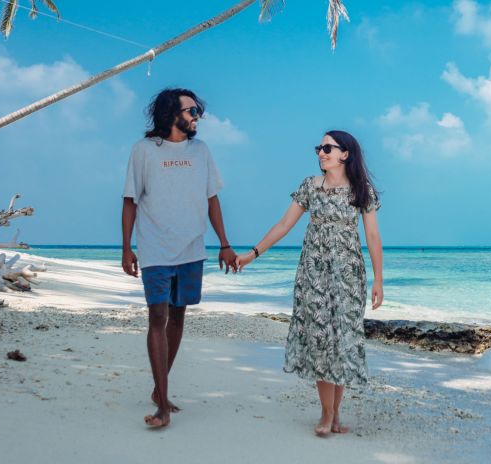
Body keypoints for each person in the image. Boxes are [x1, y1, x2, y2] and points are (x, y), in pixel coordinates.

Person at [236, 130, 383, 436]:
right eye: (319, 147)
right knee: (319, 339)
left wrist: (379, 279)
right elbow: (284, 224)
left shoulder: (361, 190)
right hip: (313, 273)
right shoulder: (310, 186)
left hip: (348, 274)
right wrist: (253, 254)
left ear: (345, 153)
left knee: (342, 340)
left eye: (328, 147)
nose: (321, 152)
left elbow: (372, 236)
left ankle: (335, 414)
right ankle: (327, 414)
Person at [121, 88, 238, 428]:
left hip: (191, 249)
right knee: (157, 317)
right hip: (155, 247)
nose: (196, 115)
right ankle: (162, 403)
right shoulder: (143, 150)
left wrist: (225, 244)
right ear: (171, 113)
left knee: (178, 317)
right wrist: (127, 248)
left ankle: (160, 390)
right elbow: (130, 200)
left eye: (197, 109)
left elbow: (212, 199)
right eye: (191, 110)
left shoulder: (201, 151)